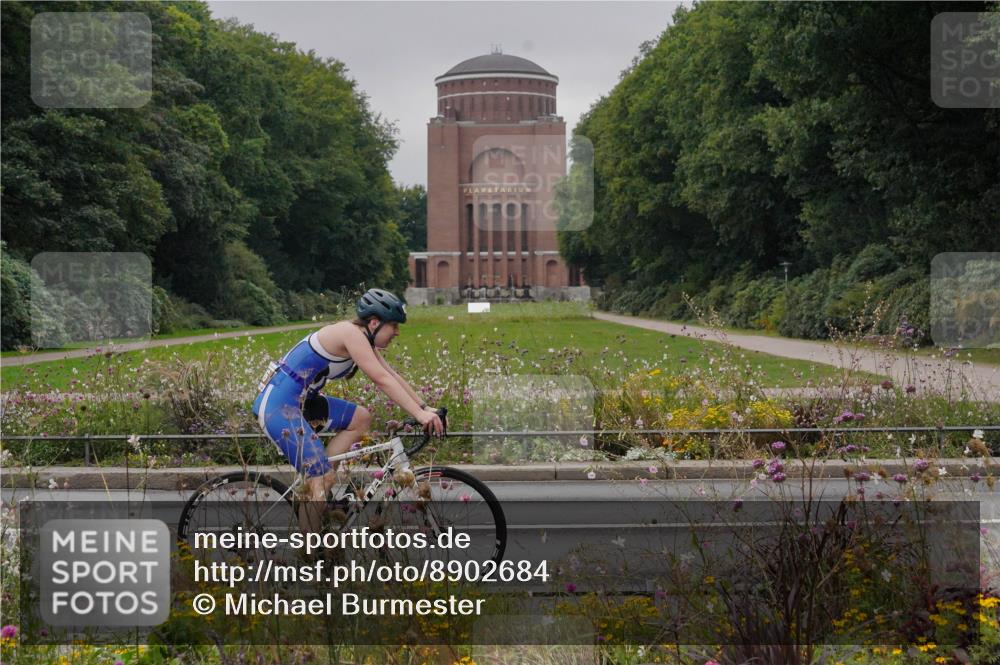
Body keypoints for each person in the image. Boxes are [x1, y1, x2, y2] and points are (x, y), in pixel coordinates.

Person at [252, 288, 444, 533]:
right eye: (394, 325)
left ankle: (321, 486)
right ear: (374, 323)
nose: (397, 332)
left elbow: (391, 375)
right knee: (320, 479)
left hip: (303, 401)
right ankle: (310, 549)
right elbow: (381, 379)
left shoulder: (363, 339)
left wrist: (425, 407)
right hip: (278, 405)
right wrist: (420, 415)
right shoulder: (349, 333)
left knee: (360, 418)